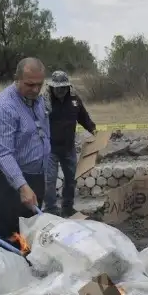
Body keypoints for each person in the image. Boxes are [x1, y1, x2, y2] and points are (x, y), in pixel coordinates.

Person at [0, 57, 50, 241]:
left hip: (36, 176)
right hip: (11, 182)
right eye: (30, 84)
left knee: (32, 232)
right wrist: (22, 187)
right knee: (13, 235)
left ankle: (29, 266)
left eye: (40, 84)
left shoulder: (38, 100)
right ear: (17, 79)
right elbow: (3, 153)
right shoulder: (5, 107)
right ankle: (12, 266)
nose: (36, 90)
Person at [44, 70, 97, 216]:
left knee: (71, 179)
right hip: (50, 148)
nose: (60, 91)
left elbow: (84, 118)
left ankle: (67, 207)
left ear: (68, 86)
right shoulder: (44, 101)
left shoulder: (75, 100)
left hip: (68, 148)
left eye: (63, 87)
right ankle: (50, 210)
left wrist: (93, 130)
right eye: (57, 88)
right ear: (52, 87)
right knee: (49, 180)